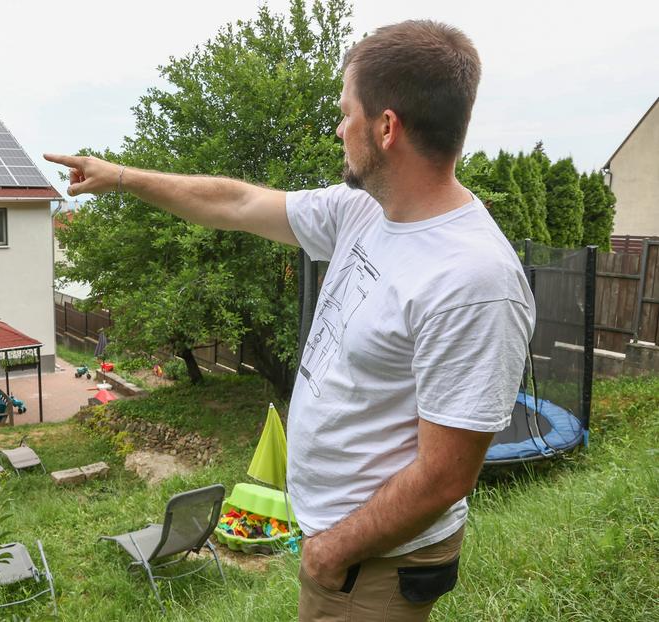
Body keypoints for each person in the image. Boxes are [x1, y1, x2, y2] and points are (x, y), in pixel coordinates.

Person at [46, 19, 534, 621]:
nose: (337, 128)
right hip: (347, 548)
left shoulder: (473, 281)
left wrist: (333, 550)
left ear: (386, 128)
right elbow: (239, 202)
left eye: (345, 112)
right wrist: (121, 177)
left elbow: (445, 476)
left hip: (373, 563)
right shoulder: (364, 211)